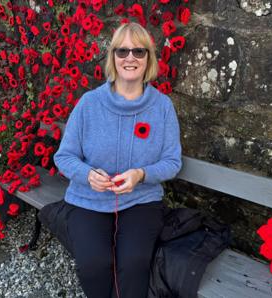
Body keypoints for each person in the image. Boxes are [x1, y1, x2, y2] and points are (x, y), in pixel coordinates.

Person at [53, 22, 182, 298]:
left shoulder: (162, 107)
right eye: (122, 51)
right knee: (93, 264)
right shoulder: (89, 103)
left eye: (138, 51)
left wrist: (140, 174)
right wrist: (88, 175)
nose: (130, 58)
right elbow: (64, 156)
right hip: (88, 199)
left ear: (149, 58)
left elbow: (172, 161)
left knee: (134, 263)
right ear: (112, 57)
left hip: (141, 201)